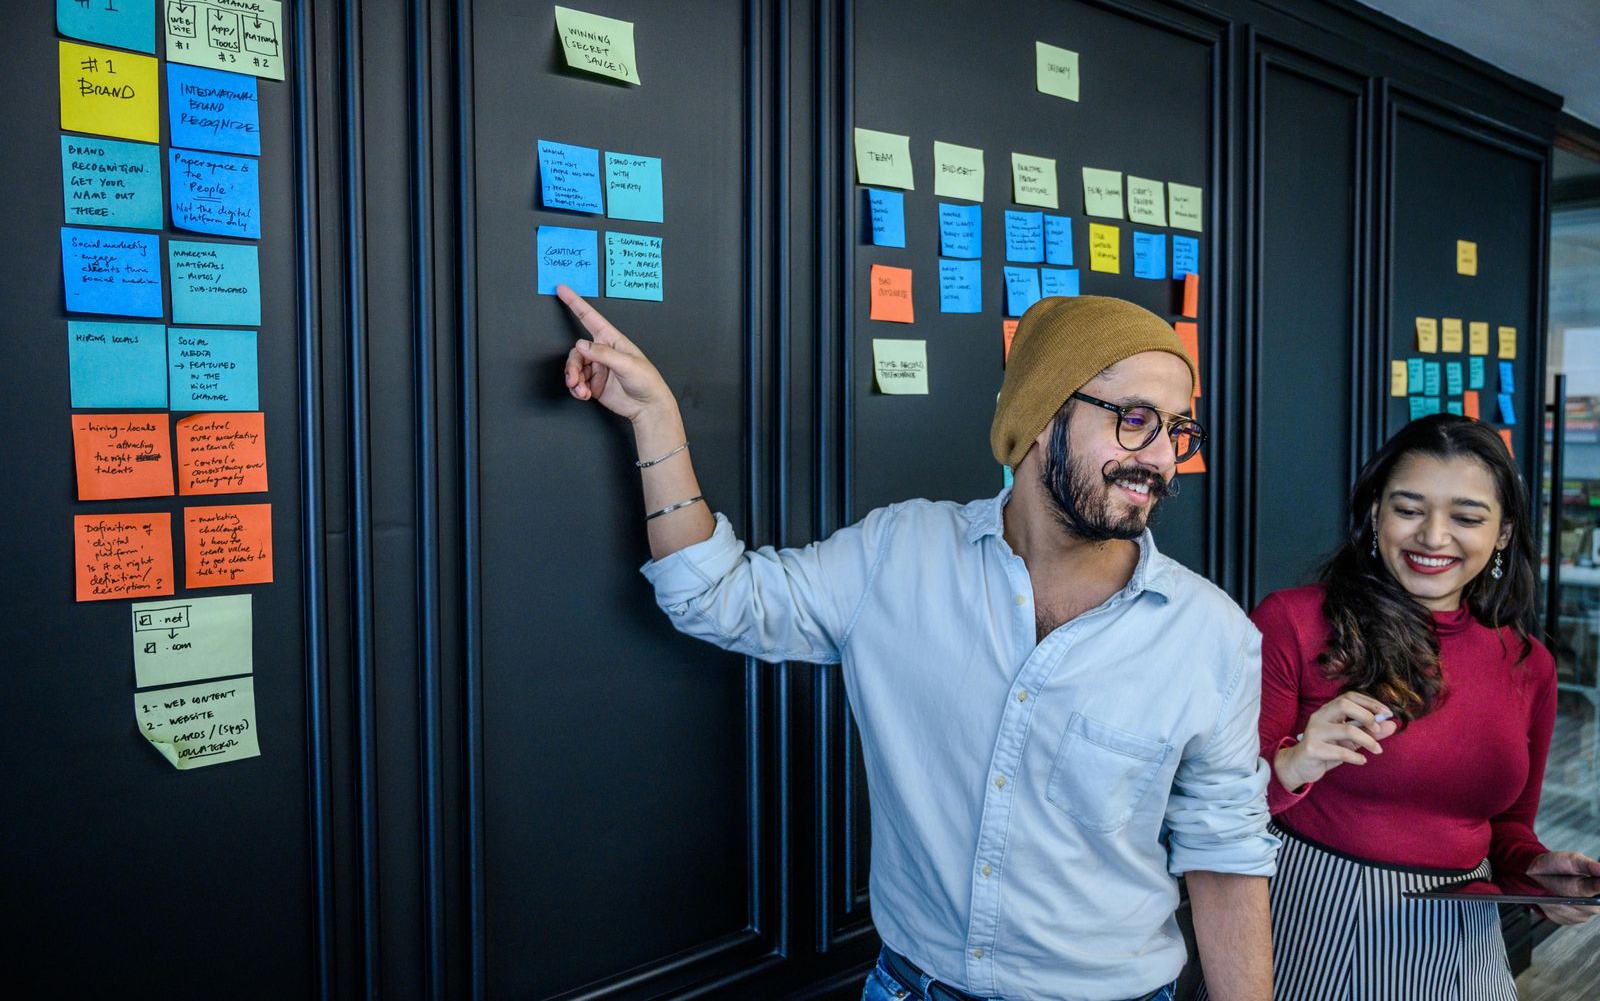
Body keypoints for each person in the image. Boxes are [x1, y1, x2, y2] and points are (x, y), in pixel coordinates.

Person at [558, 287, 1278, 1001]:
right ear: (1038, 414)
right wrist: (655, 420)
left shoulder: (1210, 636)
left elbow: (1225, 859)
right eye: (1134, 419)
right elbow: (716, 597)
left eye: (1177, 429)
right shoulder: (899, 554)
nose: (1162, 458)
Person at [1234, 414, 1600, 1001]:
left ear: (1503, 532)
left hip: (1465, 936)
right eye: (1409, 509)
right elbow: (1217, 808)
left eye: (1466, 517)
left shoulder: (1529, 663)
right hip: (1308, 916)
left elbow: (1506, 827)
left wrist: (1536, 870)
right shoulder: (1292, 622)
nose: (1433, 537)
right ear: (1375, 512)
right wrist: (1292, 764)